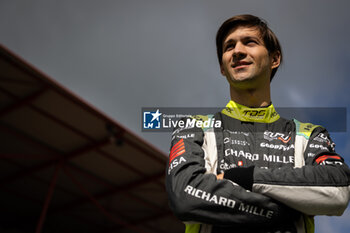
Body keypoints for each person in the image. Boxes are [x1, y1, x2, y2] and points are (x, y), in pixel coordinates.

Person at [165, 14, 350, 233]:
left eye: (249, 42)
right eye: (229, 47)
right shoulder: (194, 127)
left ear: (275, 59)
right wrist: (282, 212)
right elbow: (186, 195)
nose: (238, 51)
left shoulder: (309, 135)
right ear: (223, 68)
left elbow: (338, 190)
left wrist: (243, 178)